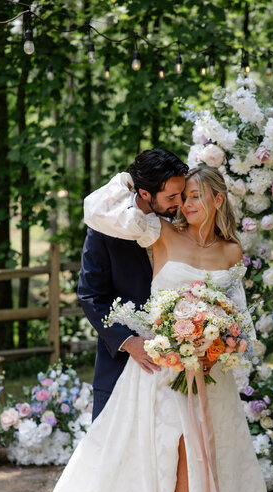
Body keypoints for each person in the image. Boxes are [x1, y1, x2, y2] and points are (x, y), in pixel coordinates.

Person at [0, 165, 273, 492]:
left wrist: (218, 342)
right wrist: (130, 178)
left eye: (195, 196)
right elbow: (98, 210)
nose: (186, 204)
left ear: (218, 200)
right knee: (177, 459)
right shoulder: (159, 232)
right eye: (182, 195)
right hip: (160, 374)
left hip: (210, 377)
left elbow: (242, 324)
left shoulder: (232, 251)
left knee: (202, 463)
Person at [78, 148, 188, 421]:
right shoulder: (107, 225)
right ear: (145, 194)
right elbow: (90, 295)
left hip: (181, 356)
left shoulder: (184, 219)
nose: (180, 202)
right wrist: (128, 342)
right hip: (123, 357)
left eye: (182, 194)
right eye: (172, 197)